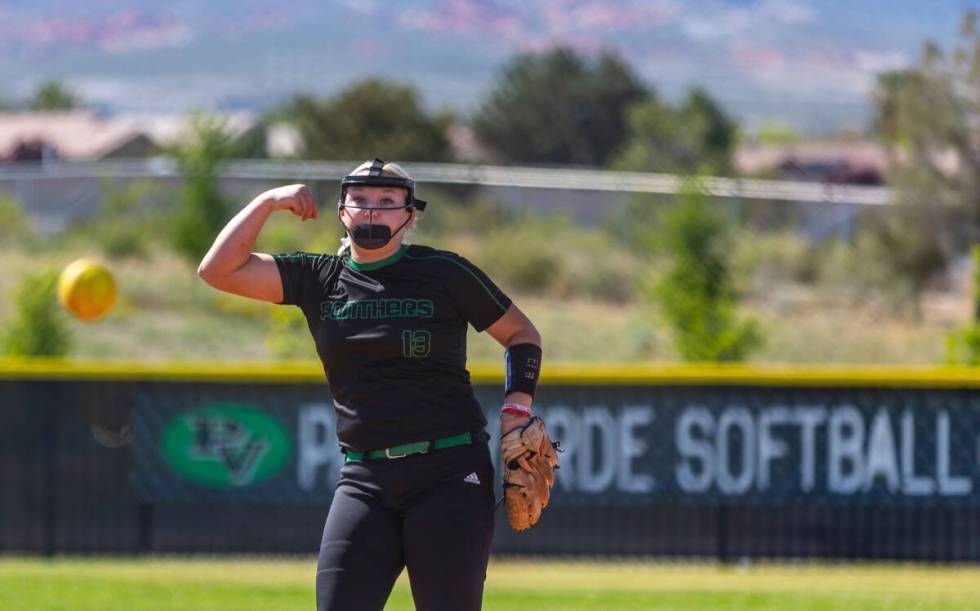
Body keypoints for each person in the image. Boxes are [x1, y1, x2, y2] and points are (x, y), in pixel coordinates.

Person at [197, 159, 550, 611]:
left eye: (386, 202)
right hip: (365, 478)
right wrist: (268, 202)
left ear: (409, 214)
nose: (371, 210)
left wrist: (515, 412)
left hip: (448, 472)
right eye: (359, 200)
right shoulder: (319, 278)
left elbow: (522, 335)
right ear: (342, 211)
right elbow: (217, 271)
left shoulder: (444, 272)